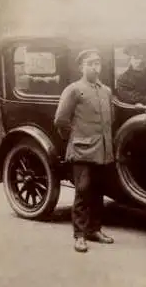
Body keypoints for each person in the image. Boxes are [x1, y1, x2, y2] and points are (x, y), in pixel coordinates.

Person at [54, 48, 115, 253]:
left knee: (98, 192)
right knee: (83, 192)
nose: (95, 68)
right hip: (82, 150)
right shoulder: (74, 90)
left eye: (97, 64)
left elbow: (110, 119)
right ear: (82, 67)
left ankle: (94, 230)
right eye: (90, 64)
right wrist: (74, 139)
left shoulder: (105, 91)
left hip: (102, 150)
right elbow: (61, 120)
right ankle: (79, 236)